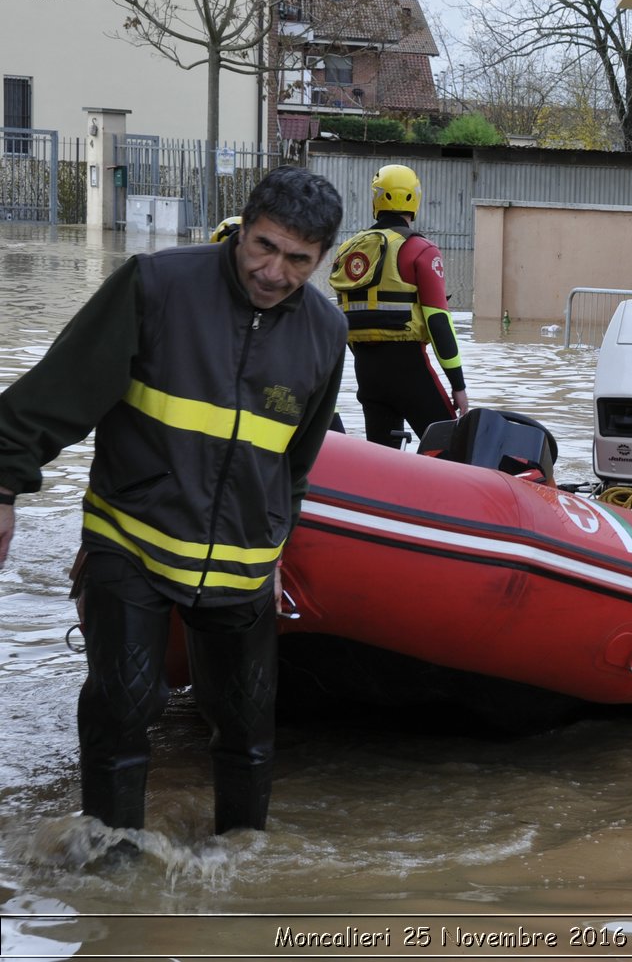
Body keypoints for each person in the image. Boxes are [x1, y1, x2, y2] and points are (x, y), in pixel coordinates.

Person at [0, 167, 347, 840]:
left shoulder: (326, 333)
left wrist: (277, 541)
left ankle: (241, 862)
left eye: (297, 259)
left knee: (248, 725)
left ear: (322, 258)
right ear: (242, 226)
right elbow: (55, 393)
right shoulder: (156, 285)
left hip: (243, 564)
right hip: (131, 539)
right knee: (125, 705)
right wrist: (3, 484)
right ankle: (109, 870)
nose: (274, 272)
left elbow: (294, 462)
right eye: (264, 246)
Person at [330, 164, 468, 447]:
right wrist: (458, 386)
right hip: (410, 370)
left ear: (376, 199)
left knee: (382, 465)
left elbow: (348, 317)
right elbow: (438, 321)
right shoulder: (421, 250)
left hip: (366, 372)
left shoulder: (348, 250)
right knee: (454, 453)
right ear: (414, 199)